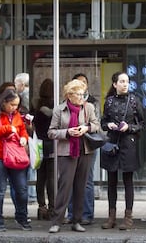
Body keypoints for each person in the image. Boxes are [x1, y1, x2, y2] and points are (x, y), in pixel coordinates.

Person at [47, 79, 100, 234]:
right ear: (69, 95)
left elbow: (97, 125)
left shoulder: (88, 107)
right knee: (65, 187)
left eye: (83, 94)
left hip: (85, 151)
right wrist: (67, 132)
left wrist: (86, 128)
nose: (81, 97)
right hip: (67, 151)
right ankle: (57, 221)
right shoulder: (59, 110)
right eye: (78, 94)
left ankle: (77, 220)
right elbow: (51, 132)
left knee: (81, 187)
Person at [0, 88, 32, 232]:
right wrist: (6, 129)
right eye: (12, 105)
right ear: (4, 102)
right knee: (0, 189)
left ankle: (22, 217)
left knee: (22, 189)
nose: (14, 108)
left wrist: (24, 138)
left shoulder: (16, 115)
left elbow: (22, 129)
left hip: (16, 155)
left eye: (16, 105)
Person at [100, 71, 145, 231]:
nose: (125, 84)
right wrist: (109, 125)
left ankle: (128, 218)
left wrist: (129, 127)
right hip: (112, 142)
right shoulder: (109, 101)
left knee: (128, 181)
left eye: (127, 81)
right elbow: (103, 121)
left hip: (128, 143)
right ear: (115, 84)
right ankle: (111, 217)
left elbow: (142, 123)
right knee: (111, 181)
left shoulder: (134, 101)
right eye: (122, 81)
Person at [66, 73, 100, 225]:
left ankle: (86, 214)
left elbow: (96, 124)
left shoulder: (92, 103)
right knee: (70, 179)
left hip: (87, 145)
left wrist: (85, 127)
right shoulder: (65, 104)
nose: (81, 85)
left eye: (83, 83)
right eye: (77, 83)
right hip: (70, 145)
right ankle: (72, 213)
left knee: (86, 180)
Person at [33, 78, 55, 220]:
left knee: (40, 178)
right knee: (52, 178)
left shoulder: (35, 105)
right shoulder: (55, 106)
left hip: (38, 144)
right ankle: (53, 207)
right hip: (52, 143)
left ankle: (41, 207)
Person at [14, 73, 36, 204]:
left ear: (21, 84)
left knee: (26, 165)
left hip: (25, 135)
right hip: (30, 135)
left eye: (16, 84)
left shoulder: (22, 97)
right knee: (31, 165)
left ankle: (29, 194)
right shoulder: (32, 95)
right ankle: (32, 194)